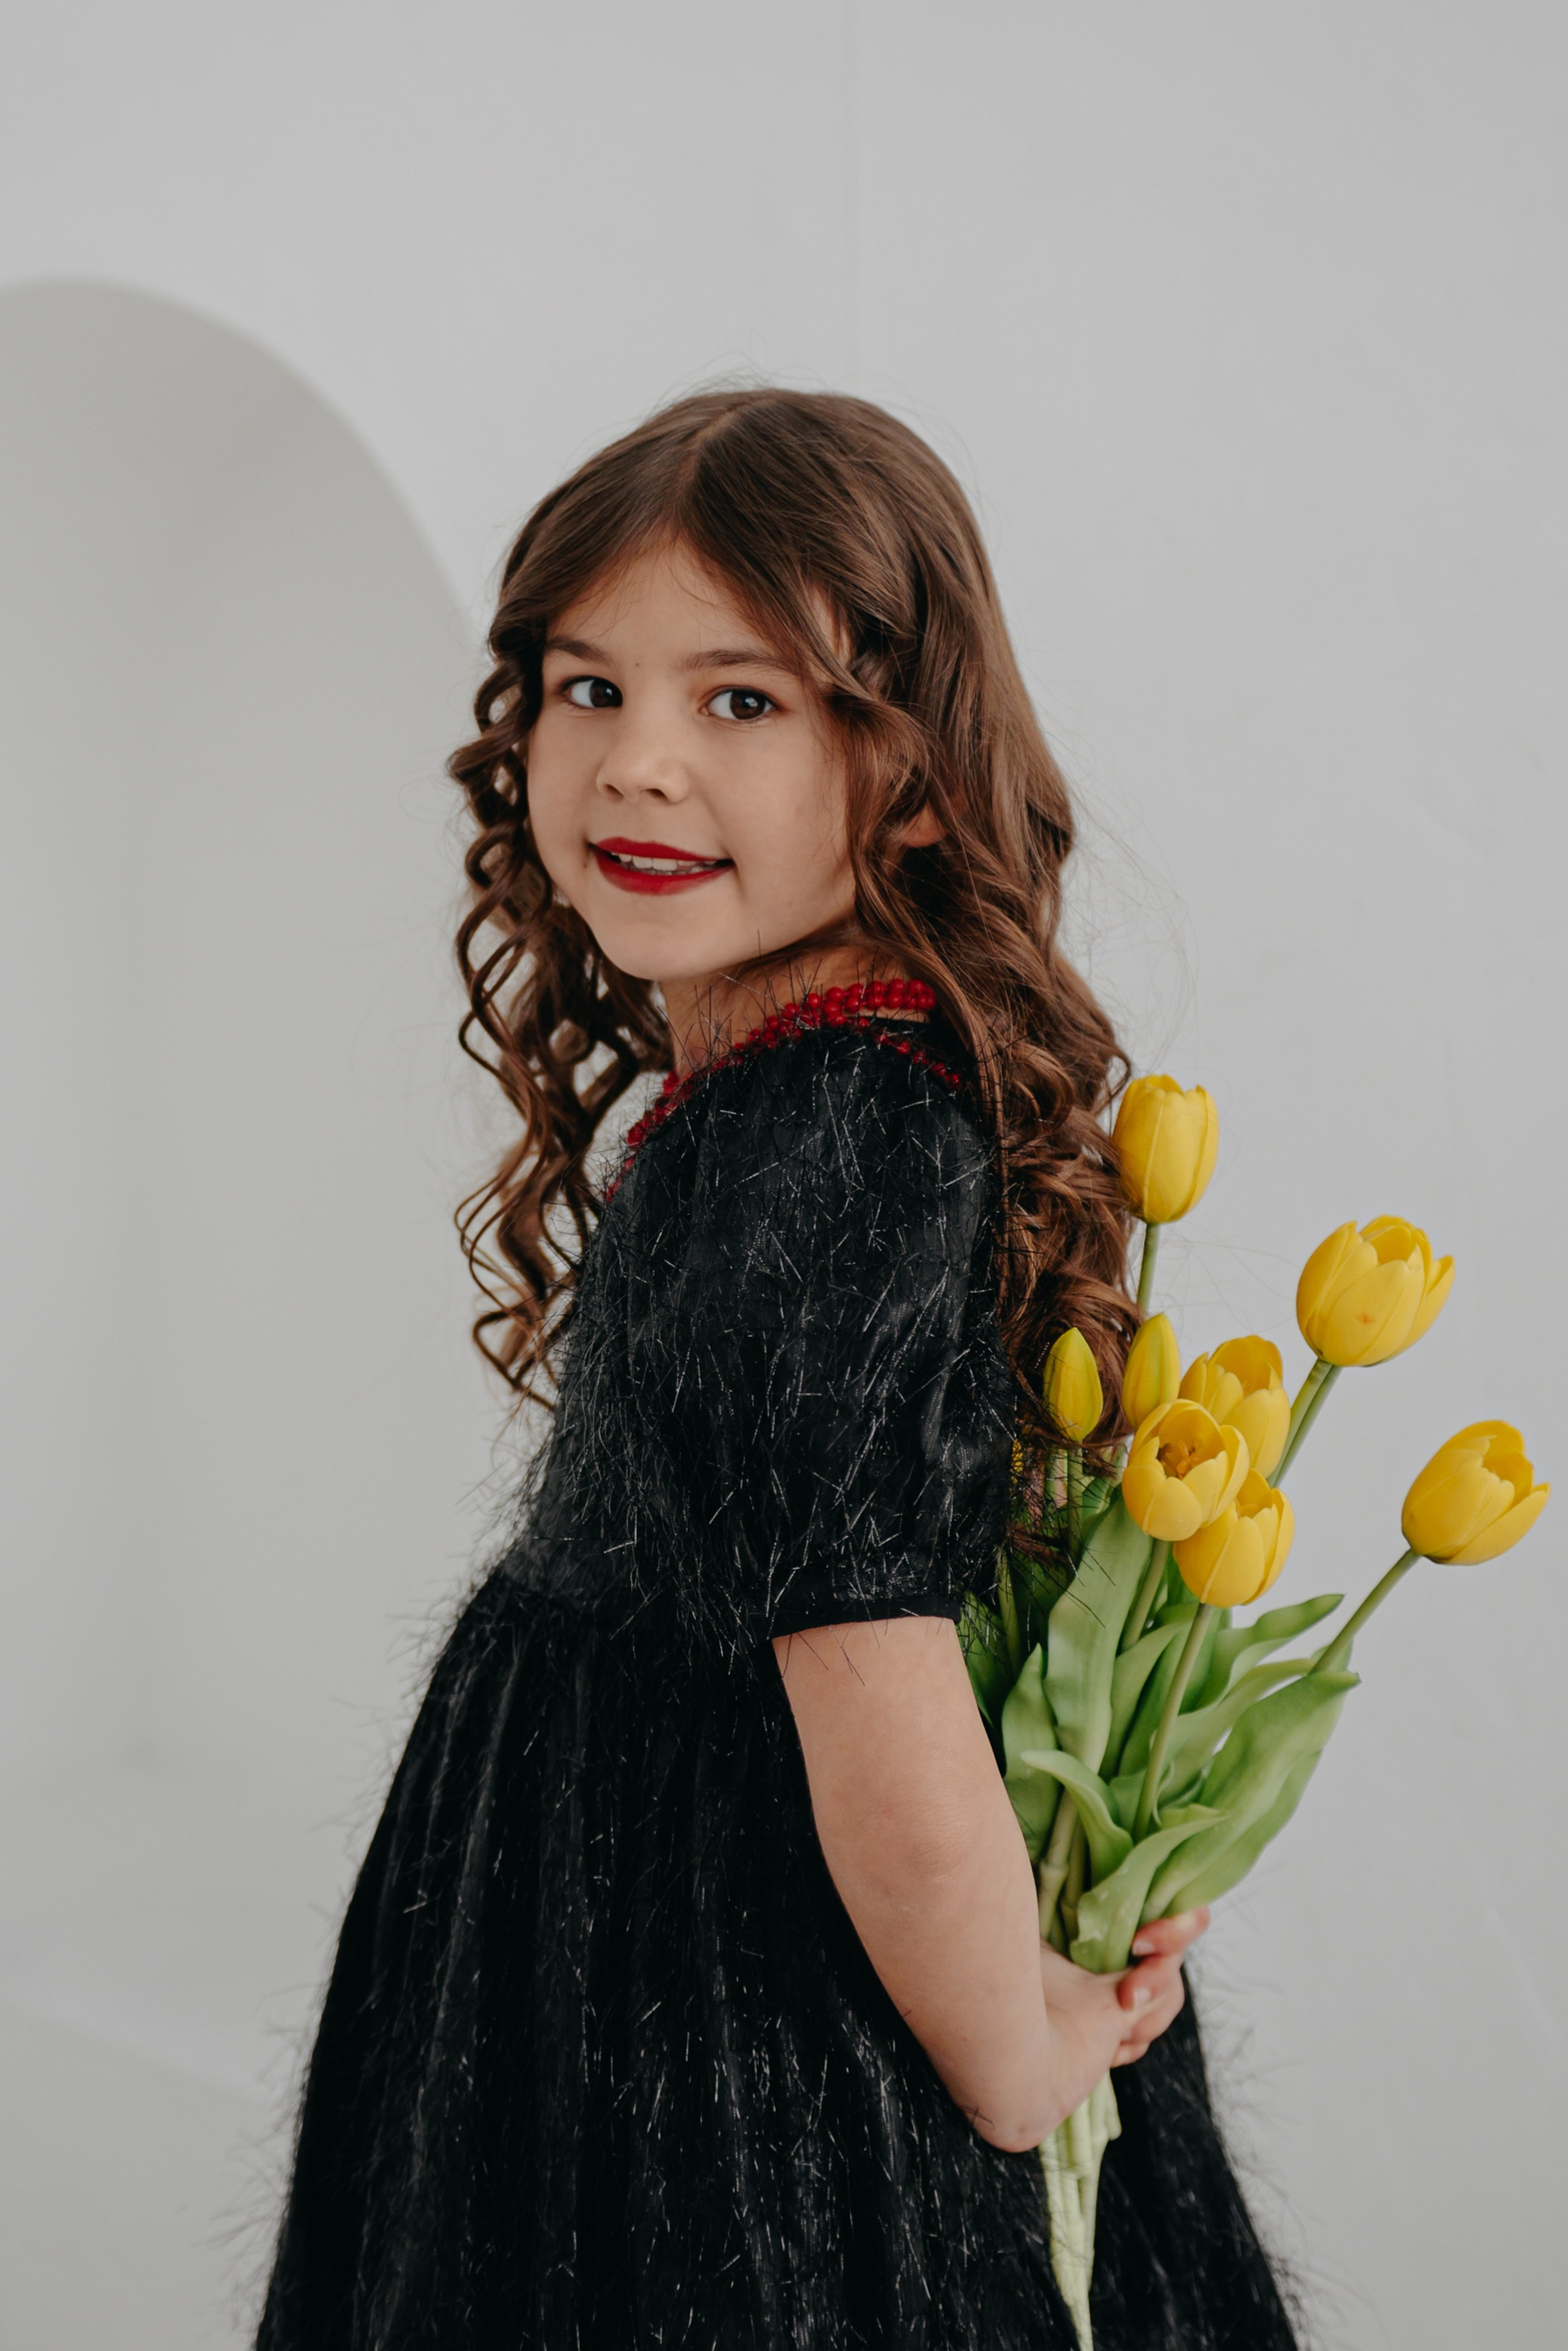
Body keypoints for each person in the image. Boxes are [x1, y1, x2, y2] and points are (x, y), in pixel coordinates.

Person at [256, 390, 1298, 2349]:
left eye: (741, 699)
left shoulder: (809, 1152)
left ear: (914, 771)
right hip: (666, 1909)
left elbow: (881, 1690)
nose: (637, 761)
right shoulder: (824, 1090)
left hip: (723, 1999)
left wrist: (1015, 2060)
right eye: (589, 686)